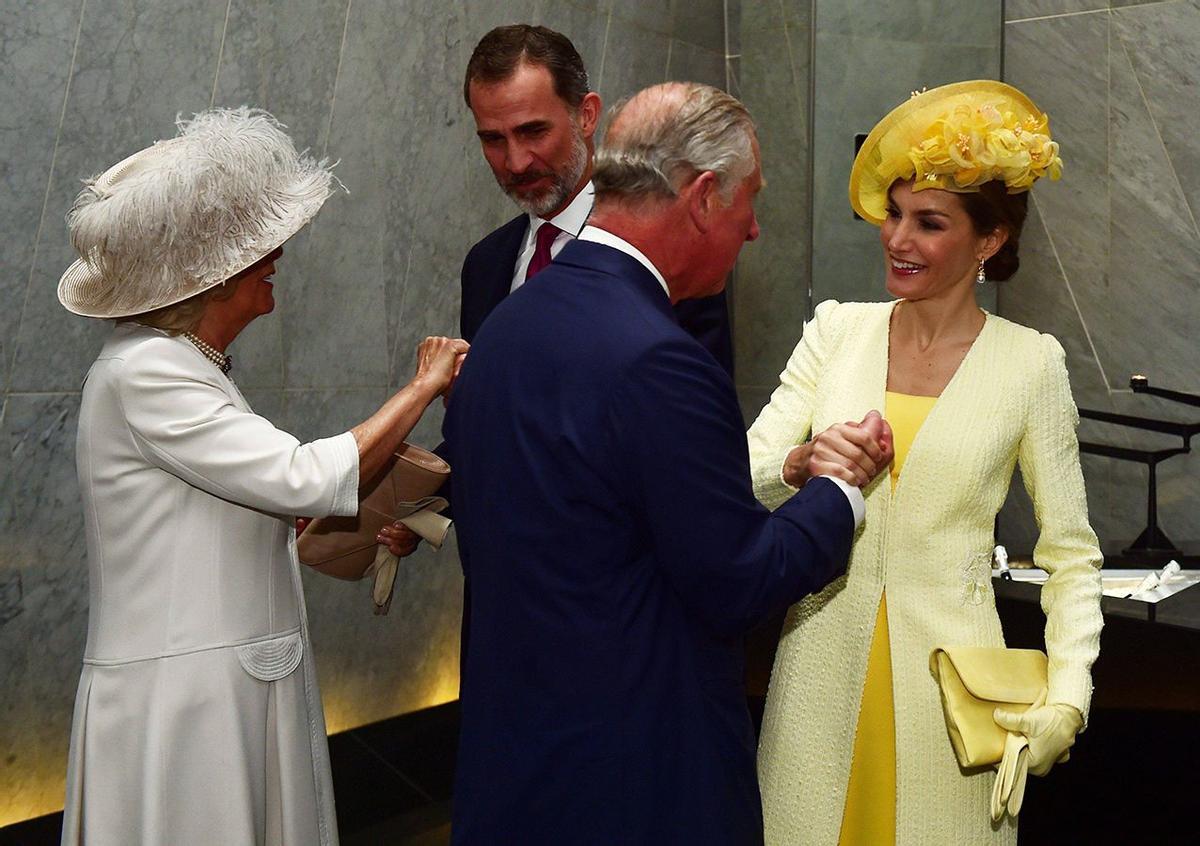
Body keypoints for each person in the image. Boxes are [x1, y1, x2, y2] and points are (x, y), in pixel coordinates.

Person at [442, 82, 893, 845]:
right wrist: (838, 490)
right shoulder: (660, 359)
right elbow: (737, 581)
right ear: (705, 196)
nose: (753, 231)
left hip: (512, 764)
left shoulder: (508, 328)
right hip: (637, 777)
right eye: (750, 200)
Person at [57, 108, 467, 846]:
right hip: (189, 710)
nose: (274, 256)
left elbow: (246, 497)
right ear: (206, 280)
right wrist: (424, 384)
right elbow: (304, 477)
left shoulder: (174, 365)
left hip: (209, 692)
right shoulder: (148, 370)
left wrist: (341, 516)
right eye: (254, 250)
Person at [749, 81, 1104, 846]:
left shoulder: (1031, 365)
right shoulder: (837, 331)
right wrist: (803, 462)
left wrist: (1068, 697)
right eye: (894, 215)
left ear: (988, 241)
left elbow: (1071, 558)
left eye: (929, 223)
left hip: (954, 704)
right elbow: (741, 474)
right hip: (817, 674)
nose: (896, 239)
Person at [460, 24, 733, 369]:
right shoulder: (484, 264)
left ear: (586, 116)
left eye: (533, 131)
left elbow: (697, 408)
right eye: (494, 140)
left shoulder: (668, 248)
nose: (516, 162)